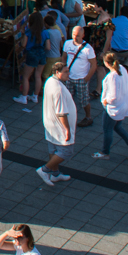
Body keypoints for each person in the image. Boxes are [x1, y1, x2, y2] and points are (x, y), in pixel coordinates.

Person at [93, 51, 128, 159]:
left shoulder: (112, 76)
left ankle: (105, 152)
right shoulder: (122, 69)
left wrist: (106, 101)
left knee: (107, 129)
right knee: (117, 127)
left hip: (113, 108)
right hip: (122, 105)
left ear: (106, 63)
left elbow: (113, 96)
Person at [38, 58, 76, 186]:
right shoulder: (59, 89)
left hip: (49, 123)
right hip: (58, 125)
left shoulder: (49, 81)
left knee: (53, 149)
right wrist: (67, 129)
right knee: (66, 151)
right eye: (66, 72)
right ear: (58, 72)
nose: (68, 74)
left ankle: (55, 174)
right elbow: (62, 112)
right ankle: (45, 169)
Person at [61, 25, 96, 128]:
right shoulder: (67, 43)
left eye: (78, 36)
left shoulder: (88, 49)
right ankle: (67, 116)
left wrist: (86, 79)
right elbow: (63, 57)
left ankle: (88, 117)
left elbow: (94, 65)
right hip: (69, 77)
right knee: (67, 98)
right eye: (74, 35)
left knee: (84, 100)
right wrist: (64, 70)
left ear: (83, 35)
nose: (75, 38)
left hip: (81, 78)